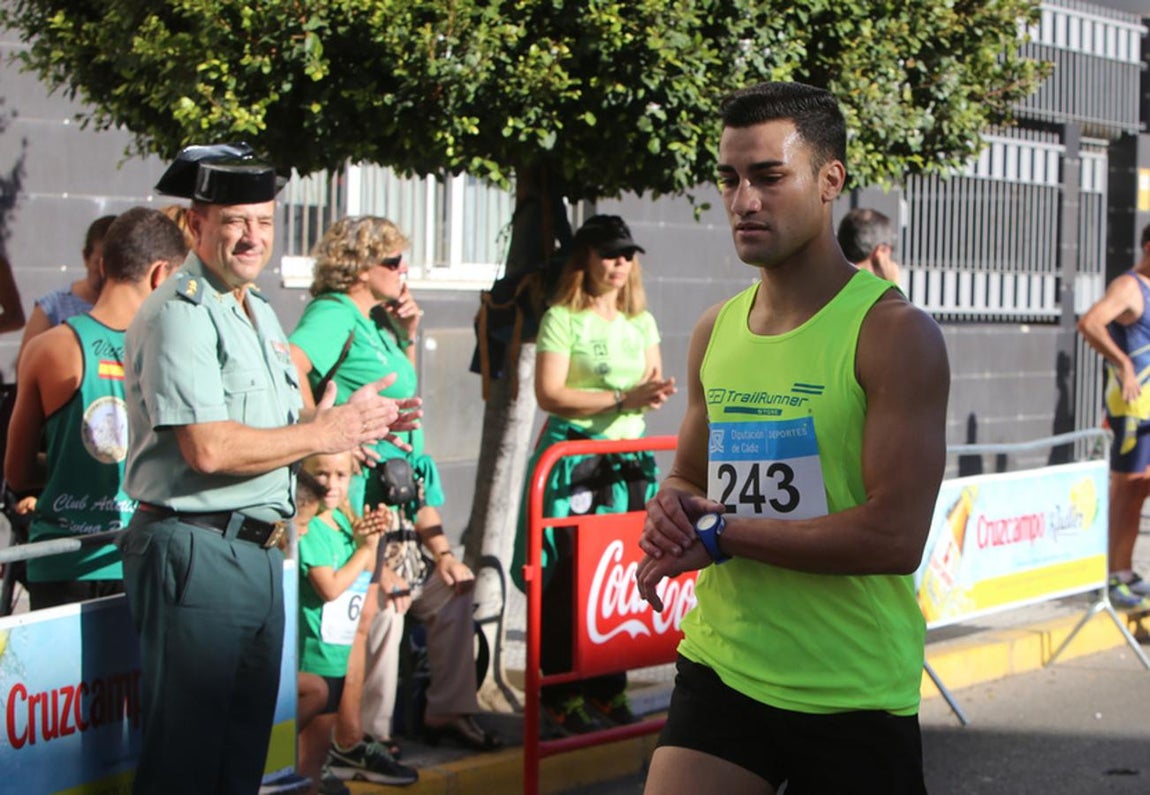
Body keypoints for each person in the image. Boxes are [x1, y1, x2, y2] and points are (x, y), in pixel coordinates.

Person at [634, 81, 950, 794]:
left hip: (851, 691)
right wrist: (674, 509)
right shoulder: (718, 328)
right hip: (725, 664)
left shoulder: (895, 334)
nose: (744, 200)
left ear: (829, 178)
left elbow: (894, 536)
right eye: (730, 179)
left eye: (769, 177)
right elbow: (689, 476)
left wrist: (722, 534)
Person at [118, 143, 419, 795]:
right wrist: (321, 429)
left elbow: (291, 433)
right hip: (199, 548)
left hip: (255, 553)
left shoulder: (254, 309)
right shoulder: (182, 312)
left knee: (240, 764)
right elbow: (207, 448)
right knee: (186, 766)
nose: (253, 236)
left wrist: (362, 425)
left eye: (263, 220)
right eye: (234, 221)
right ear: (195, 225)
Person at [290, 215, 501, 753]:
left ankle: (443, 714)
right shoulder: (333, 312)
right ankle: (361, 738)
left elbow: (400, 393)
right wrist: (325, 433)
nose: (405, 271)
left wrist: (407, 335)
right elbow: (290, 366)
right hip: (357, 499)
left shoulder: (377, 320)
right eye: (393, 262)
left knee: (448, 592)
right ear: (358, 268)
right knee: (380, 608)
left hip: (400, 497)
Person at [511, 214, 676, 734]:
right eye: (609, 254)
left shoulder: (641, 321)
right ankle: (561, 694)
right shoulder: (562, 317)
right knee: (567, 576)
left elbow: (652, 379)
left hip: (629, 461)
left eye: (627, 255)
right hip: (575, 458)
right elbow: (550, 393)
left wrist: (647, 396)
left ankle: (608, 689)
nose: (620, 264)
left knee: (623, 575)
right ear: (585, 258)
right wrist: (623, 399)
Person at [3, 207, 187, 610]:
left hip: (59, 560)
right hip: (143, 553)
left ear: (102, 263)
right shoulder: (174, 352)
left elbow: (16, 472)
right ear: (160, 276)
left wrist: (71, 469)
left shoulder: (48, 347)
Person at [296, 450, 418, 790]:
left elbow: (361, 576)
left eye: (340, 475)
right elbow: (330, 588)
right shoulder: (309, 528)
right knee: (302, 757)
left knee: (316, 760)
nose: (331, 484)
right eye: (321, 474)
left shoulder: (343, 523)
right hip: (311, 655)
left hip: (337, 657)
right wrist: (365, 549)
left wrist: (371, 539)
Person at [1076, 222, 1150, 611]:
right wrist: (1121, 362)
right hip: (1131, 411)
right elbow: (1089, 323)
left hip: (1148, 410)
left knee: (1140, 490)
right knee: (1126, 490)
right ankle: (1110, 575)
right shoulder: (1129, 287)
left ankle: (1125, 570)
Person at [16, 214, 115, 367]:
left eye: (112, 265)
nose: (104, 272)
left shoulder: (133, 308)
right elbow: (25, 366)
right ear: (86, 257)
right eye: (99, 262)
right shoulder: (52, 307)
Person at [837, 207, 901, 285]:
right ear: (880, 251)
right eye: (891, 249)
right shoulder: (877, 291)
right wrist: (893, 284)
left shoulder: (825, 278)